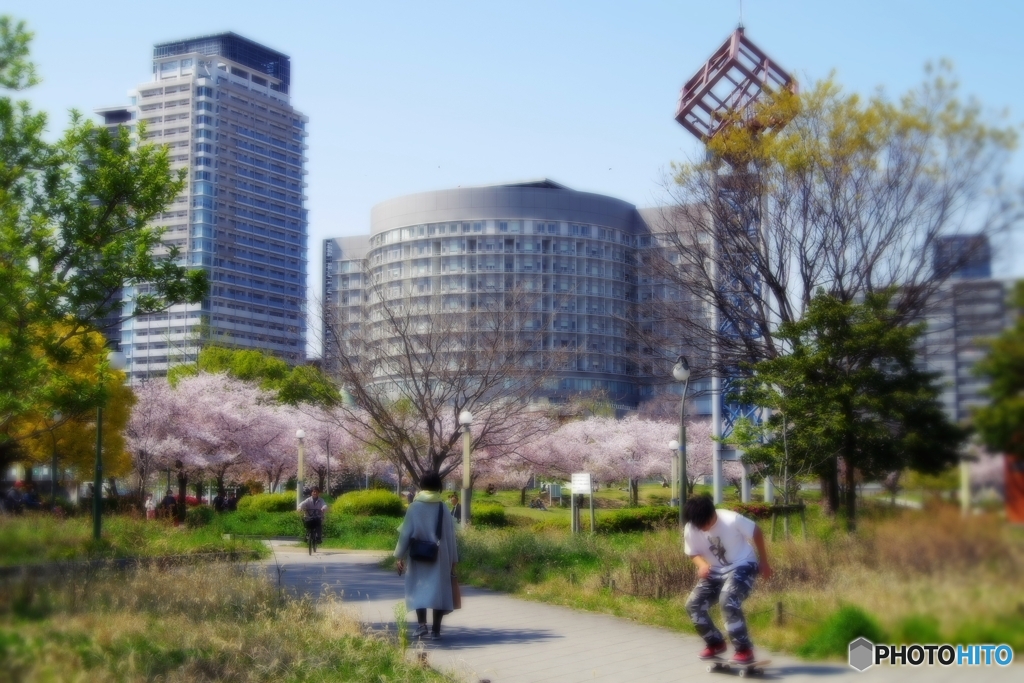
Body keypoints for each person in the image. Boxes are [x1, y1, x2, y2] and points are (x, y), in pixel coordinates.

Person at [683, 493, 772, 665]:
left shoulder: (731, 519)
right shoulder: (691, 527)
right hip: (715, 572)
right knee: (693, 605)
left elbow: (756, 531)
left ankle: (744, 649)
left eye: (705, 524)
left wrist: (764, 562)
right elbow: (692, 552)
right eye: (698, 526)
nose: (703, 529)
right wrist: (701, 564)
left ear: (712, 514)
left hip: (743, 566)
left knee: (728, 599)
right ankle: (715, 643)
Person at [395, 472, 458, 640]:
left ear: (421, 485)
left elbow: (405, 534)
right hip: (441, 555)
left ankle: (422, 625)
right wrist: (453, 560)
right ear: (439, 486)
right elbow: (451, 536)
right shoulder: (443, 507)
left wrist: (399, 556)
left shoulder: (414, 507)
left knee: (418, 587)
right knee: (440, 590)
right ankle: (436, 630)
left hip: (418, 554)